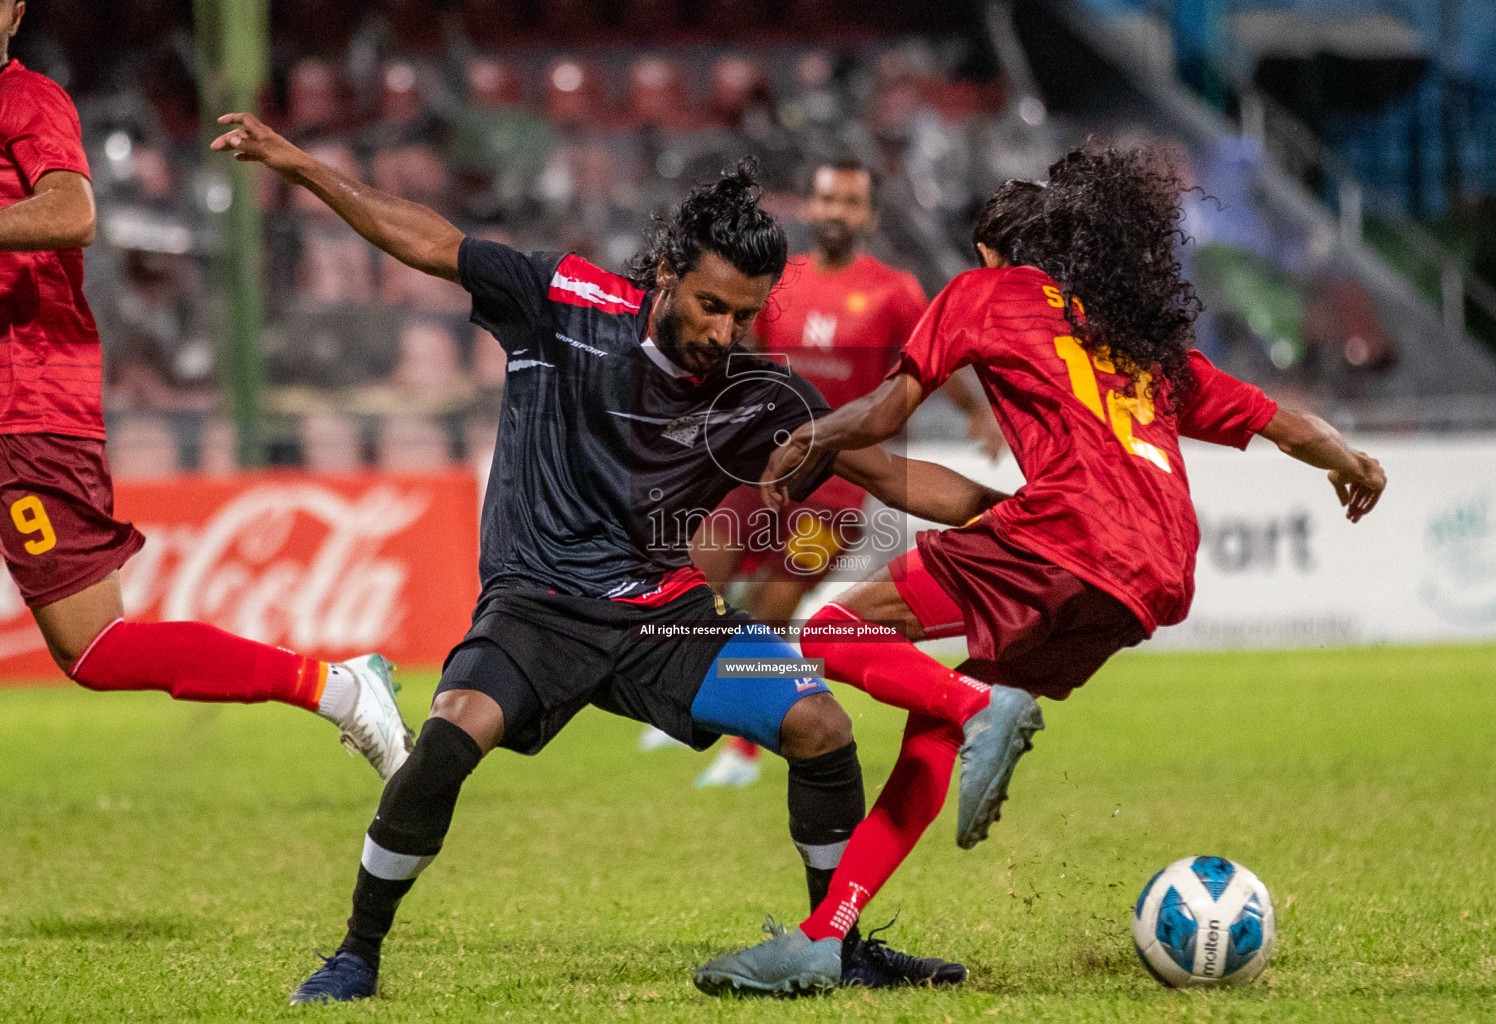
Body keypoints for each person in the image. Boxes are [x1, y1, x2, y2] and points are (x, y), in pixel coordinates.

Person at [213, 112, 1011, 1002]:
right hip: (536, 605)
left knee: (819, 727)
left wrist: (1023, 518)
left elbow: (895, 476)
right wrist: (300, 165)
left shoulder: (757, 394)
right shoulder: (565, 303)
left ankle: (839, 946)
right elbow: (429, 242)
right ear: (667, 276)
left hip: (665, 618)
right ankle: (357, 953)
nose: (723, 332)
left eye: (745, 315)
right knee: (447, 738)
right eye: (711, 306)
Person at [692, 146, 1387, 994]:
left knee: (836, 633)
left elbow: (888, 411)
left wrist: (822, 435)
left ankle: (980, 706)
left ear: (990, 251)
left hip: (1065, 531)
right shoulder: (1135, 340)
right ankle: (824, 935)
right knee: (937, 726)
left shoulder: (985, 291)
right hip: (1154, 575)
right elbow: (1283, 422)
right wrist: (1354, 461)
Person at [0, 0, 409, 780]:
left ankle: (342, 690)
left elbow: (72, 210)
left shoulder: (28, 99)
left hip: (28, 408)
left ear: (15, 11)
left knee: (94, 648)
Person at [679, 158, 1005, 789]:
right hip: (757, 465)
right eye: (828, 198)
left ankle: (742, 750)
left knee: (774, 609)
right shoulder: (777, 282)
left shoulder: (895, 290)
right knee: (695, 580)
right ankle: (685, 702)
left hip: (836, 491)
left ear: (869, 215)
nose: (837, 211)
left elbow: (930, 362)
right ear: (808, 204)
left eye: (851, 202)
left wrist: (978, 414)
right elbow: (742, 355)